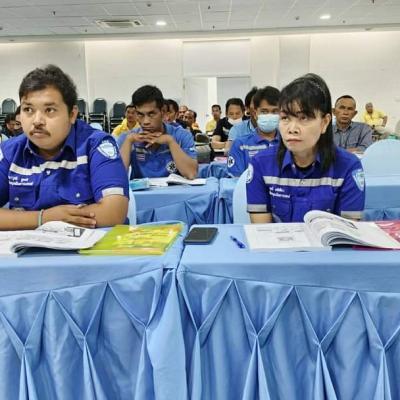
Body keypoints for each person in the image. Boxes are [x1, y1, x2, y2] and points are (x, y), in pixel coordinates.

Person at [0, 64, 129, 230]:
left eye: (49, 110)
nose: (37, 121)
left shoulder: (96, 145)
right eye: (28, 109)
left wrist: (37, 220)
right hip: (27, 246)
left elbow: (113, 211)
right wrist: (43, 218)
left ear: (72, 114)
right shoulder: (10, 151)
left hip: (90, 245)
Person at [247, 73, 365, 223]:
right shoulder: (260, 164)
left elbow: (347, 230)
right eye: (285, 118)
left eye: (304, 118)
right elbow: (262, 229)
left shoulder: (348, 166)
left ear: (325, 122)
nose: (292, 129)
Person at [118, 85, 198, 179]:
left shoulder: (182, 135)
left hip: (175, 189)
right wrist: (129, 141)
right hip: (141, 189)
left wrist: (170, 141)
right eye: (140, 114)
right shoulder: (127, 138)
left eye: (151, 114)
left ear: (163, 112)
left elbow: (191, 174)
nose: (145, 122)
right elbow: (116, 178)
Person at [228, 86, 281, 177]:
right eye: (264, 112)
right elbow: (236, 180)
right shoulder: (241, 144)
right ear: (255, 113)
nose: (269, 116)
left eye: (275, 111)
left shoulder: (289, 143)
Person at [225, 87, 258, 152]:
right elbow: (228, 151)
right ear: (247, 108)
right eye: (256, 105)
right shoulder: (237, 129)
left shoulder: (275, 128)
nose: (259, 109)